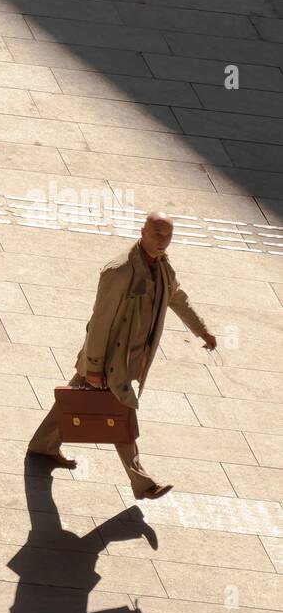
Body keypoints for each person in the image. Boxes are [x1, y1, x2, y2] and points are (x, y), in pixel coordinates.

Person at [27, 212, 216, 500]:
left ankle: (43, 445)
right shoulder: (120, 271)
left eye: (167, 235)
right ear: (142, 232)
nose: (162, 241)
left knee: (75, 398)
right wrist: (94, 366)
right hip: (112, 361)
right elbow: (100, 321)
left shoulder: (163, 267)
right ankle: (142, 482)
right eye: (157, 234)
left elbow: (177, 297)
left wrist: (202, 330)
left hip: (132, 359)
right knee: (121, 415)